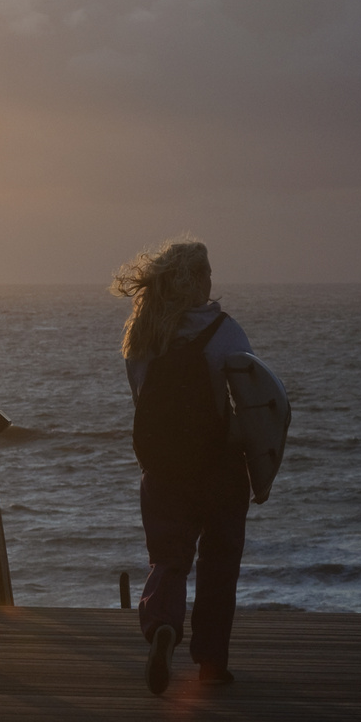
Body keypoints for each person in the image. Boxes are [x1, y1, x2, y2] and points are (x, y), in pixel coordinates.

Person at [111, 239, 253, 695]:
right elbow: (254, 402)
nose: (213, 281)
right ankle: (211, 661)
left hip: (164, 468)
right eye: (208, 273)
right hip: (220, 466)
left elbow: (140, 399)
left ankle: (163, 629)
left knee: (169, 558)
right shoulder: (226, 333)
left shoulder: (143, 335)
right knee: (219, 560)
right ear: (196, 279)